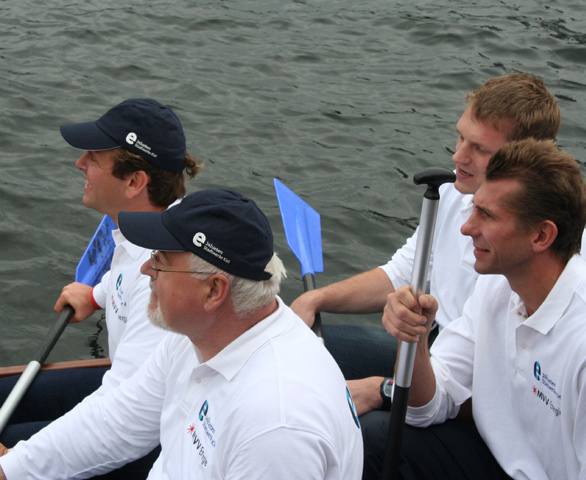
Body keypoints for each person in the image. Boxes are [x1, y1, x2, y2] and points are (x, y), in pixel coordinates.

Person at [290, 73, 586, 414]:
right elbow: (405, 272)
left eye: (479, 149)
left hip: (476, 387)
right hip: (437, 350)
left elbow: (521, 394)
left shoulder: (560, 255)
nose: (458, 157)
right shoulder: (453, 192)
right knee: (287, 344)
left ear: (523, 159)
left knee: (360, 428)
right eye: (460, 137)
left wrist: (384, 390)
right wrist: (316, 299)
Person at [0, 189, 364, 479]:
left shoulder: (276, 428)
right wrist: (12, 469)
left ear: (213, 291)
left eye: (160, 260)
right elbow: (119, 419)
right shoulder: (196, 334)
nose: (145, 269)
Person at [361, 138, 586, 479]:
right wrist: (414, 340)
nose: (467, 228)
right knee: (375, 435)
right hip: (495, 458)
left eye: (488, 215)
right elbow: (424, 409)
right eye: (474, 208)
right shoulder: (498, 285)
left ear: (541, 236)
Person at [0, 99, 201, 453]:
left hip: (155, 437)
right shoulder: (142, 231)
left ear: (134, 181)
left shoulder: (169, 278)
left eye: (93, 158)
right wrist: (96, 295)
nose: (79, 163)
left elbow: (126, 420)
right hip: (124, 392)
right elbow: (124, 277)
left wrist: (15, 462)